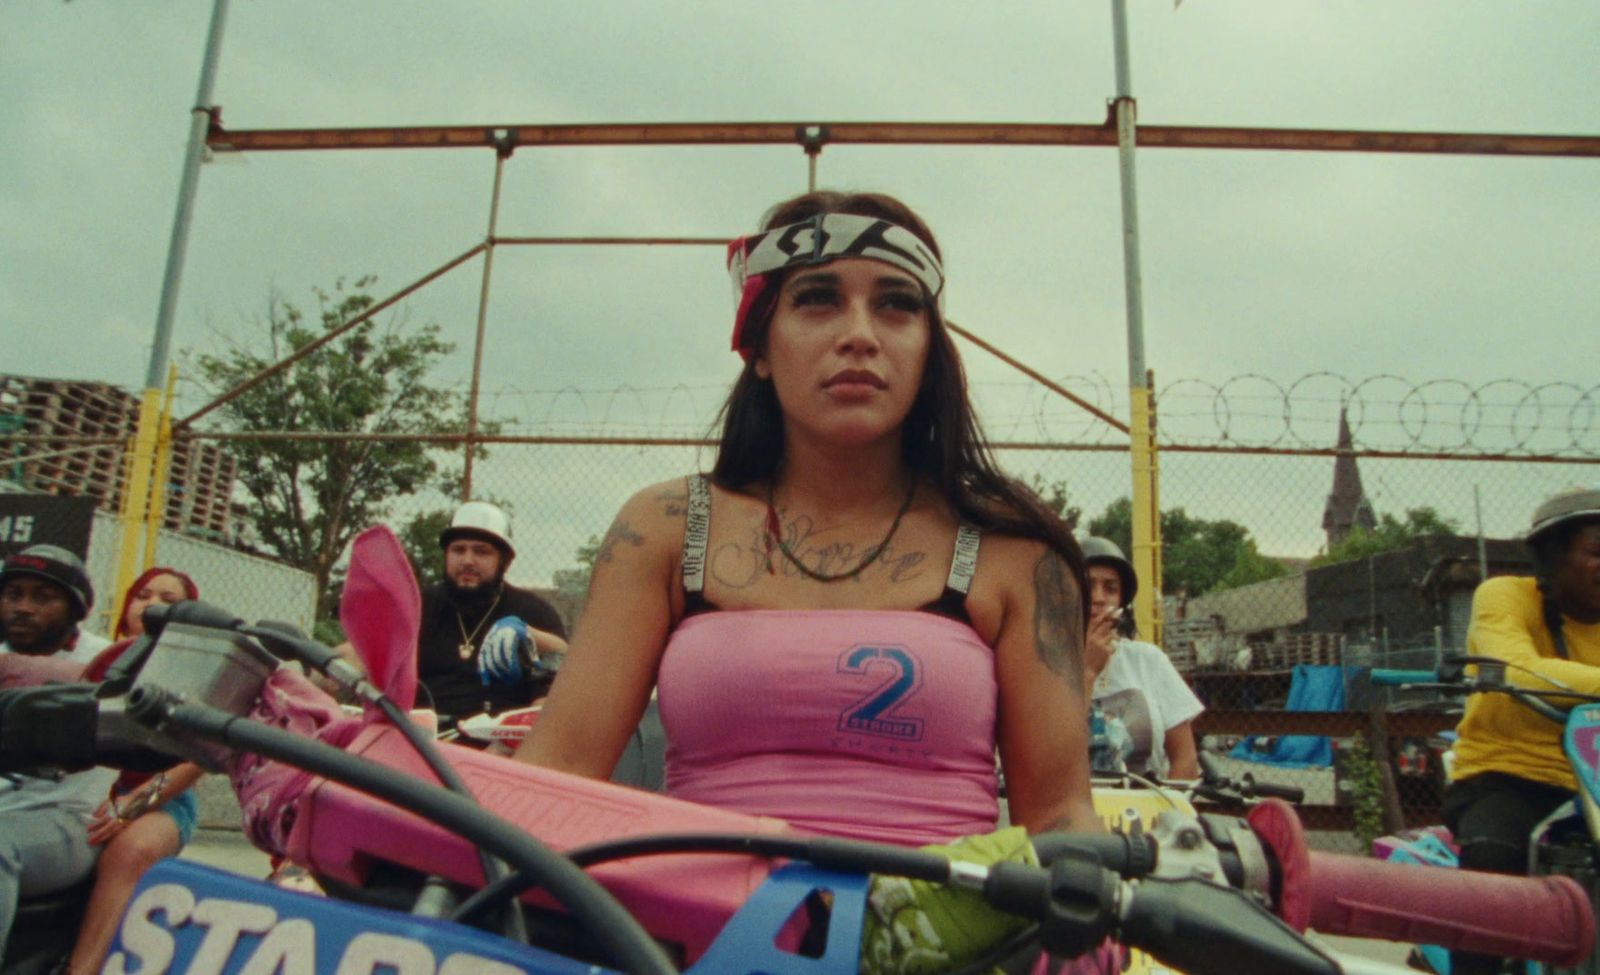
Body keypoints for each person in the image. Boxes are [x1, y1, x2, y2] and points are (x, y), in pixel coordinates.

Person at [515, 191, 1101, 971]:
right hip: (692, 947)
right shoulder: (664, 528)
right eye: (818, 300)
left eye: (896, 305)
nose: (859, 334)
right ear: (758, 345)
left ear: (929, 348)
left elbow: (1060, 812)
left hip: (951, 952)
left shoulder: (1013, 548)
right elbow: (557, 773)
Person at [1442, 486, 1600, 975]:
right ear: (1553, 557)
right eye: (1595, 553)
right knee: (1492, 863)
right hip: (1509, 774)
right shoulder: (1505, 595)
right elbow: (1517, 669)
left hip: (1592, 785)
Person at [63, 567, 204, 975]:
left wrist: (132, 804)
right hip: (86, 791)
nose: (152, 604)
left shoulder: (195, 673)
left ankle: (82, 969)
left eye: (168, 599)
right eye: (144, 594)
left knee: (130, 850)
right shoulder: (95, 661)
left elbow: (197, 760)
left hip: (163, 800)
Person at [0, 545, 114, 963]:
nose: (23, 608)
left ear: (75, 609)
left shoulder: (105, 662)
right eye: (13, 595)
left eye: (42, 597)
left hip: (67, 820)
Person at [417, 500, 569, 724]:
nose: (467, 560)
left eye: (481, 552)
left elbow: (553, 690)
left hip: (500, 747)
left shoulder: (533, 612)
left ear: (504, 562)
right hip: (417, 738)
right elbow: (362, 657)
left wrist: (530, 636)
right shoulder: (419, 605)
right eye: (458, 550)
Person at [1080, 536, 1202, 780]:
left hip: (1147, 810)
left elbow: (1185, 758)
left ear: (1122, 602)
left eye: (1111, 588)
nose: (1099, 598)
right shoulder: (1043, 666)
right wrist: (1088, 671)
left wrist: (1169, 814)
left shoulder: (1148, 660)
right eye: (1087, 586)